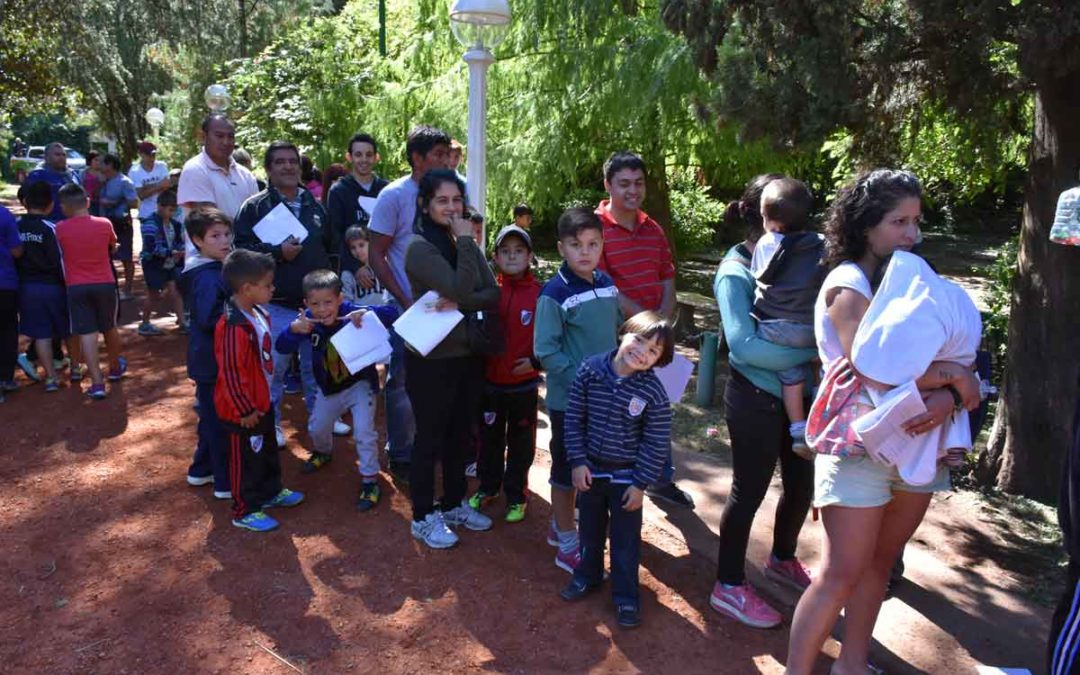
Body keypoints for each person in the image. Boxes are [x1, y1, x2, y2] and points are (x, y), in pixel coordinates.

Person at [785, 170, 983, 674]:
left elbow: (955, 363)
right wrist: (953, 379)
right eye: (899, 222)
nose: (911, 235)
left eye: (915, 222)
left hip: (916, 449)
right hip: (856, 453)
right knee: (840, 573)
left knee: (879, 565)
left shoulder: (914, 282)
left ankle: (851, 665)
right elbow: (878, 366)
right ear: (865, 224)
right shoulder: (846, 285)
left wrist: (951, 397)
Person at [710, 173, 817, 628]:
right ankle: (728, 585)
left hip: (800, 398)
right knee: (748, 491)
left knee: (801, 484)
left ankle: (782, 558)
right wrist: (810, 352)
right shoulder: (734, 271)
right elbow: (745, 347)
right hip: (754, 398)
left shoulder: (798, 255)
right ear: (765, 221)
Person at [559, 311, 675, 629]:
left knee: (625, 542)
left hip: (627, 479)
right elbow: (574, 418)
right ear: (623, 333)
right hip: (590, 473)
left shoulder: (654, 391)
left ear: (659, 361)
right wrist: (578, 461)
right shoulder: (590, 370)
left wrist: (640, 484)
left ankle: (626, 596)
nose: (642, 351)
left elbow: (655, 441)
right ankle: (588, 576)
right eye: (639, 340)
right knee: (589, 532)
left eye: (653, 351)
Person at [403, 169, 498, 549]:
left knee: (460, 435)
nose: (452, 207)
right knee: (429, 437)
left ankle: (454, 503)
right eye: (442, 201)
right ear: (425, 205)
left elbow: (491, 293)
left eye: (457, 200)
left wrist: (462, 299)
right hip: (430, 358)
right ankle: (423, 516)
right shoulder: (420, 248)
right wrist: (464, 249)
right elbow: (462, 284)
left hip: (466, 354)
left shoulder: (461, 240)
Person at [595, 151, 693, 509]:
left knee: (658, 406)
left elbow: (666, 274)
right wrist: (648, 327)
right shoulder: (597, 229)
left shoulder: (653, 228)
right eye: (624, 184)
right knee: (620, 409)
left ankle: (660, 478)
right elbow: (606, 287)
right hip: (620, 340)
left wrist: (664, 323)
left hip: (655, 337)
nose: (632, 191)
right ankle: (613, 484)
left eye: (638, 183)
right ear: (608, 185)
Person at [233, 141, 342, 446]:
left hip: (315, 307)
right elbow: (240, 252)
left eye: (292, 161)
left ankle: (320, 419)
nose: (288, 166)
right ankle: (273, 424)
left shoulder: (315, 204)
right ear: (268, 169)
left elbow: (331, 249)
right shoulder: (254, 207)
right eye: (280, 162)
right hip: (275, 306)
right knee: (274, 370)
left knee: (317, 367)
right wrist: (277, 253)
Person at [534, 207, 622, 572]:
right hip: (569, 402)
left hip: (605, 398)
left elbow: (614, 334)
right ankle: (566, 541)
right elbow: (545, 351)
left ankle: (565, 524)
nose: (585, 252)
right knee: (567, 469)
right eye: (575, 245)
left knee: (594, 467)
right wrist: (583, 377)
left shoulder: (606, 285)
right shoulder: (553, 294)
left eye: (592, 244)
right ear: (561, 248)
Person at [368, 124, 451, 483]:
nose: (446, 161)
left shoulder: (450, 192)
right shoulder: (394, 196)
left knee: (441, 381)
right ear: (417, 159)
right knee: (402, 382)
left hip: (446, 307)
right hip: (408, 308)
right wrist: (404, 300)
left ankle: (432, 447)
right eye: (438, 155)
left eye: (448, 154)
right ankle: (401, 453)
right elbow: (376, 253)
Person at [275, 270, 398, 510]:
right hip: (328, 389)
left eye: (328, 302)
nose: (322, 309)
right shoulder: (308, 322)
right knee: (318, 426)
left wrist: (367, 313)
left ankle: (370, 479)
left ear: (340, 299)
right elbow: (281, 346)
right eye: (315, 304)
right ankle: (323, 451)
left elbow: (392, 314)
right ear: (306, 304)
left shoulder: (350, 311)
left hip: (361, 385)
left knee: (364, 432)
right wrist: (293, 330)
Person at [214, 248, 305, 533]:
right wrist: (244, 409)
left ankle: (271, 491)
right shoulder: (232, 326)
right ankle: (245, 509)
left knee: (266, 452)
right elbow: (230, 372)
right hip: (244, 410)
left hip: (262, 401)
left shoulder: (259, 312)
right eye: (267, 285)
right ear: (247, 288)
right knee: (246, 459)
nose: (273, 289)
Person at [467, 224, 542, 523]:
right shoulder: (488, 293)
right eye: (506, 251)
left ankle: (516, 495)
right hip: (491, 385)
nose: (512, 256)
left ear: (530, 256)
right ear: (495, 257)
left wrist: (536, 362)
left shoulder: (541, 295)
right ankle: (488, 488)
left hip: (523, 386)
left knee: (521, 445)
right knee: (489, 441)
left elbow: (551, 338)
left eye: (519, 251)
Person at [748, 178, 823, 458]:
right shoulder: (819, 244)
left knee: (790, 378)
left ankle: (798, 430)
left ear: (767, 218)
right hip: (809, 325)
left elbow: (757, 276)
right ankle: (821, 414)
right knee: (816, 365)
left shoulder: (767, 243)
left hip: (776, 326)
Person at [180, 207, 234, 500]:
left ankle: (201, 470)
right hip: (212, 361)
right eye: (215, 236)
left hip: (209, 359)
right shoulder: (207, 276)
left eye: (226, 234)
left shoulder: (210, 269)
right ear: (197, 240)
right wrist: (239, 316)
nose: (224, 240)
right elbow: (209, 318)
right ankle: (225, 482)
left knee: (211, 418)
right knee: (219, 422)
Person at [54, 183, 126, 399]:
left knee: (86, 332)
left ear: (64, 206)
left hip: (76, 286)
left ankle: (96, 382)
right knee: (109, 326)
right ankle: (114, 367)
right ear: (87, 202)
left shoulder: (60, 228)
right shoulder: (104, 223)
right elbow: (113, 247)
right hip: (104, 283)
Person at [14, 182, 80, 392]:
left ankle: (51, 378)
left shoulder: (17, 226)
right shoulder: (51, 228)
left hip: (26, 288)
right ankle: (76, 369)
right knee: (68, 330)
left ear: (25, 202)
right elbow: (60, 260)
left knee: (41, 334)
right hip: (53, 288)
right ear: (51, 205)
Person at [177, 114, 259, 266]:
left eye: (230, 136)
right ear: (203, 136)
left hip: (241, 265)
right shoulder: (195, 169)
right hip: (207, 265)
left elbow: (257, 218)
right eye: (219, 136)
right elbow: (208, 222)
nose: (226, 142)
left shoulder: (245, 174)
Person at [326, 133, 389, 276]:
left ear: (376, 157)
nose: (364, 159)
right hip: (354, 272)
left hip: (386, 267)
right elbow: (335, 235)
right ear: (349, 157)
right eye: (358, 154)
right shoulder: (339, 191)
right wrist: (355, 268)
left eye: (369, 154)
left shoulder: (386, 189)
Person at [137, 189, 187, 336]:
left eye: (174, 210)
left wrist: (180, 250)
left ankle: (182, 322)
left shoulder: (175, 224)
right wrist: (172, 253)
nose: (171, 213)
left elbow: (178, 242)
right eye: (170, 210)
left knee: (174, 291)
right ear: (160, 206)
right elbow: (152, 248)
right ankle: (145, 323)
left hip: (169, 262)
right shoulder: (150, 224)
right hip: (153, 264)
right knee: (153, 294)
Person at [98, 153, 140, 299]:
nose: (99, 165)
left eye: (102, 163)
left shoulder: (124, 182)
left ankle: (128, 290)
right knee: (106, 256)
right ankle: (111, 288)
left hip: (121, 223)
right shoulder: (104, 181)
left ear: (110, 165)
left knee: (126, 257)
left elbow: (134, 202)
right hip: (105, 224)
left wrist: (114, 202)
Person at [25, 142, 80, 222]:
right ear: (46, 157)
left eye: (63, 155)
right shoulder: (37, 175)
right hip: (48, 224)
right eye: (57, 155)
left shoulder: (73, 175)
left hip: (73, 224)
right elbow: (28, 201)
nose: (61, 157)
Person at [0, 204, 23, 400]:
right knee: (7, 330)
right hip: (5, 283)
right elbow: (17, 251)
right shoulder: (4, 214)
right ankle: (6, 378)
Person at [341, 227, 387, 305]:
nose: (357, 251)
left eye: (361, 245)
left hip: (388, 313)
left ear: (371, 243)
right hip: (361, 315)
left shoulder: (386, 266)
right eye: (353, 248)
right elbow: (347, 303)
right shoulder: (348, 274)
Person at [83, 151, 104, 216]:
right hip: (86, 202)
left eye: (100, 161)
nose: (98, 162)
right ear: (90, 160)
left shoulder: (104, 173)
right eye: (96, 160)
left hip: (101, 203)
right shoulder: (83, 173)